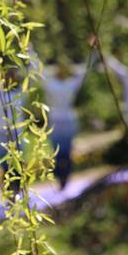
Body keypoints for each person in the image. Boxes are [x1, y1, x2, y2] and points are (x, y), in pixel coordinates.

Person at [39, 56, 89, 189]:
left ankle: (66, 177)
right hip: (55, 121)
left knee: (66, 152)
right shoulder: (50, 84)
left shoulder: (71, 84)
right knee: (57, 152)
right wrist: (29, 50)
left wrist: (93, 51)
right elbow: (38, 70)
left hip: (68, 121)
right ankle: (60, 178)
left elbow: (84, 72)